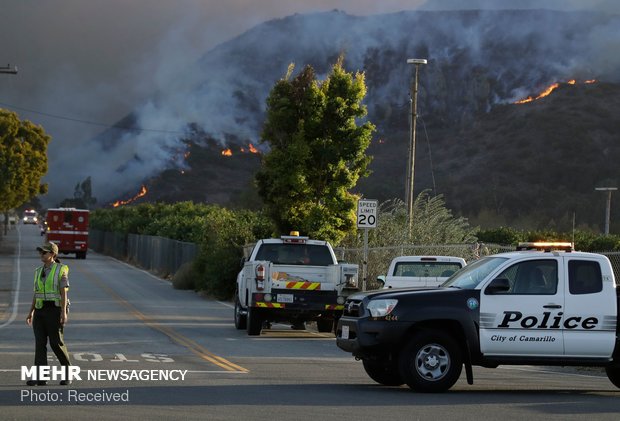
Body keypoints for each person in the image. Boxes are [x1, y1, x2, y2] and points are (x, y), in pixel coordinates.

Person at [25, 242, 72, 386]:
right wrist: (30, 312)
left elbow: (63, 292)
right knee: (40, 344)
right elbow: (36, 293)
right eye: (41, 252)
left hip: (54, 310)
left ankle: (67, 374)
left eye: (44, 252)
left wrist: (63, 313)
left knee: (56, 343)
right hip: (40, 311)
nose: (41, 255)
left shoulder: (61, 270)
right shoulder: (38, 271)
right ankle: (41, 377)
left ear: (52, 254)